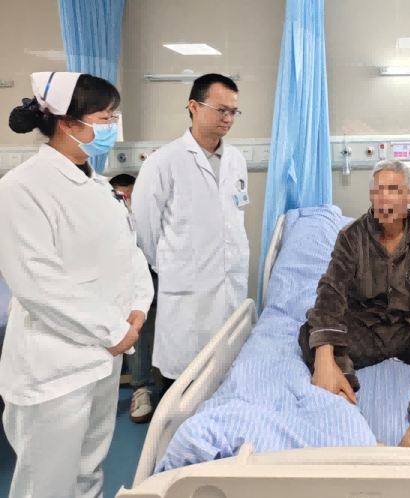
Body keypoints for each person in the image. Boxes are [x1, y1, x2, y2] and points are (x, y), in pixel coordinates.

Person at [0, 72, 154, 498]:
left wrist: (138, 306)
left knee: (89, 472)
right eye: (104, 118)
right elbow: (38, 283)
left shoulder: (98, 186)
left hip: (104, 355)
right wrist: (114, 331)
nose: (112, 127)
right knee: (46, 485)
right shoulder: (21, 188)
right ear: (67, 123)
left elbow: (129, 251)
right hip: (56, 366)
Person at [299, 160, 410, 453]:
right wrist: (325, 357)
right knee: (313, 336)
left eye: (394, 189)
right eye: (378, 190)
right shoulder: (352, 237)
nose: (385, 198)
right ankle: (361, 433)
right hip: (365, 329)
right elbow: (331, 292)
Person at [132, 74, 250, 396]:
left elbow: (235, 217)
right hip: (187, 293)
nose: (228, 118)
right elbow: (144, 230)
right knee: (183, 387)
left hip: (230, 285)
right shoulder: (163, 162)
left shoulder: (236, 160)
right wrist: (174, 265)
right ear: (194, 107)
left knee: (226, 383)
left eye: (233, 112)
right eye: (221, 109)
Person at [110, 173, 158, 423]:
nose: (126, 201)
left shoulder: (149, 214)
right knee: (133, 317)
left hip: (156, 275)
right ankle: (139, 386)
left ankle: (145, 386)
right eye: (121, 196)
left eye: (130, 195)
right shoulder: (104, 218)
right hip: (116, 281)